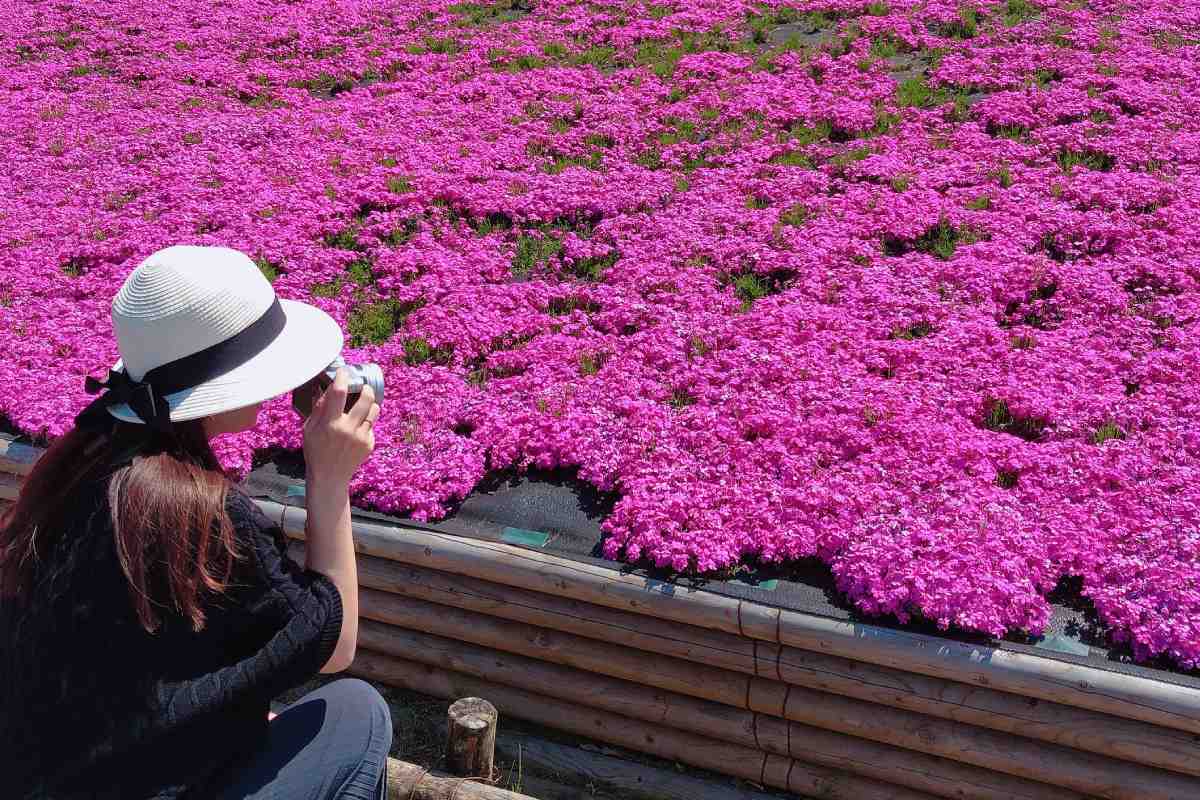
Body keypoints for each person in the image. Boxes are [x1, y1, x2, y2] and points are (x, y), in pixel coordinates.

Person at [0, 245, 392, 799]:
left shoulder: (81, 464)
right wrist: (329, 481)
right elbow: (333, 644)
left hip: (61, 772)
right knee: (358, 713)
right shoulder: (197, 512)